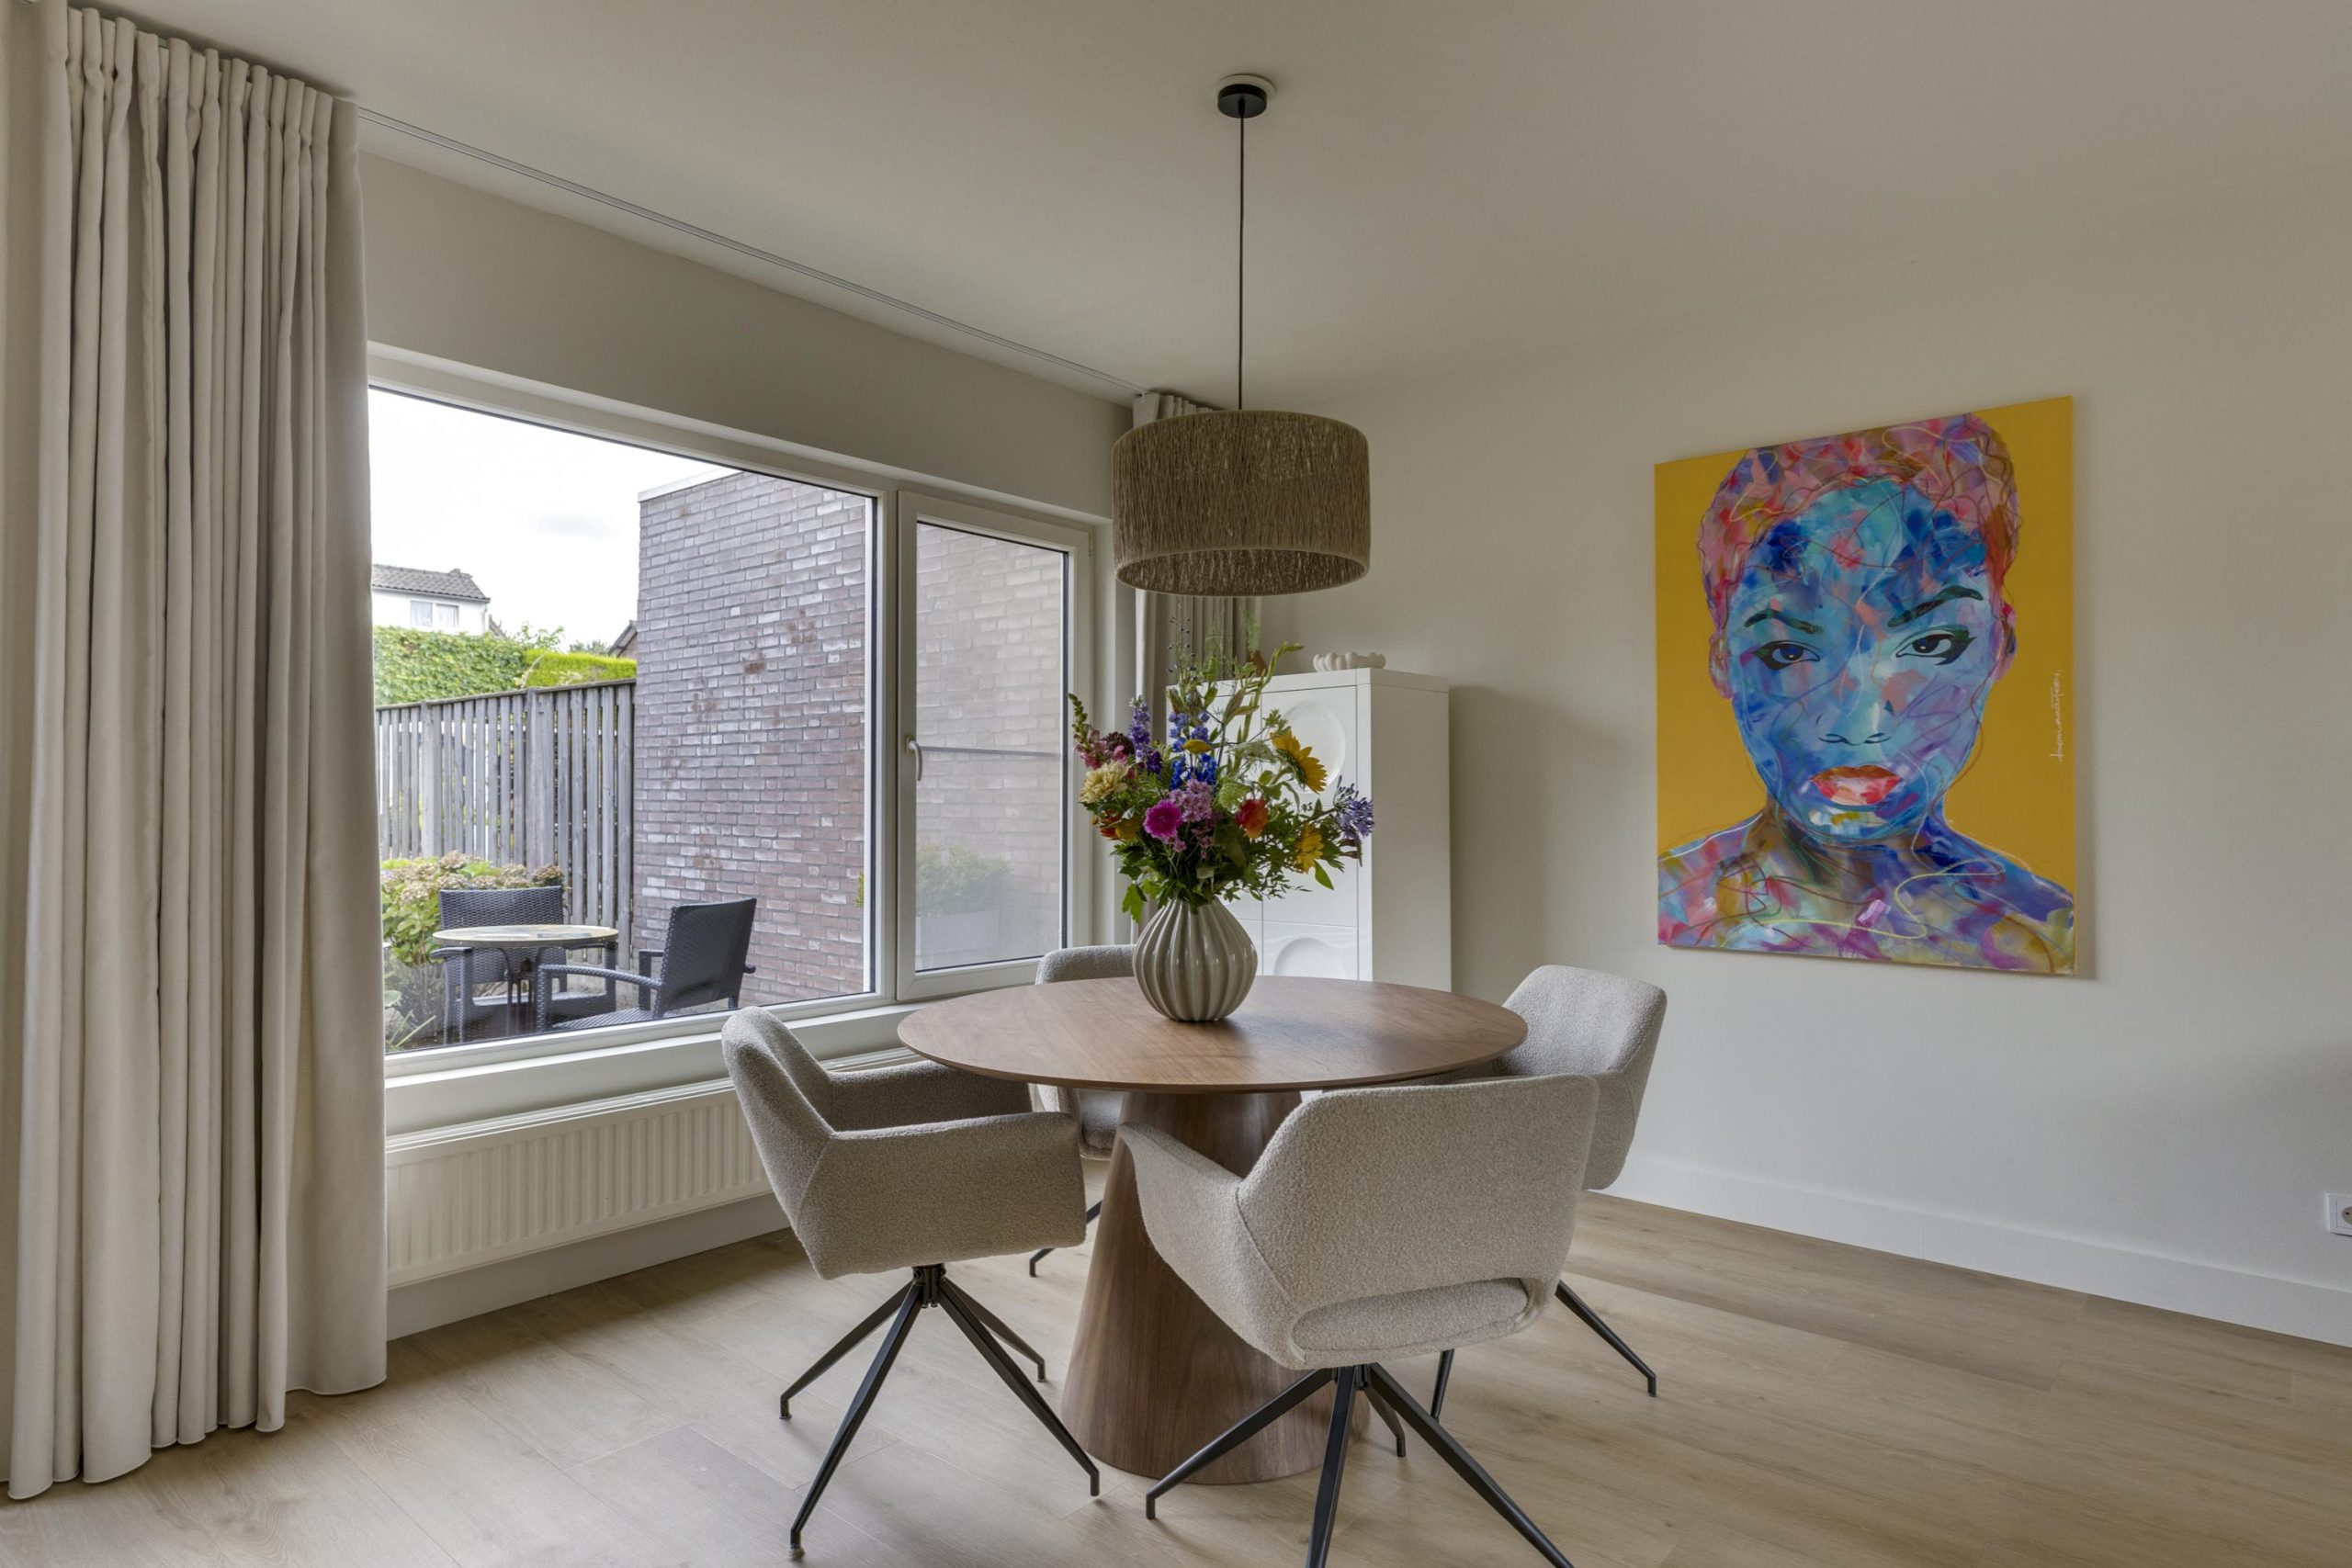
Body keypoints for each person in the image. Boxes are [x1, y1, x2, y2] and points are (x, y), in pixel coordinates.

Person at [1657, 414, 2073, 972]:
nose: (1861, 724)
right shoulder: (1667, 907)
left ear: (2000, 644)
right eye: (1789, 653)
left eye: (1928, 646)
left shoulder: (2050, 936)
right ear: (1722, 663)